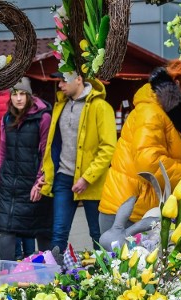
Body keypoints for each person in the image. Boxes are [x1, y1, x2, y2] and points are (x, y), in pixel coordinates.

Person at [99, 59, 181, 231]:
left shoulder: (177, 117)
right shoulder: (151, 112)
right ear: (177, 85)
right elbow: (153, 166)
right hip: (127, 216)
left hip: (147, 212)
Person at [39, 71, 117, 251]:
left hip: (92, 181)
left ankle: (103, 275)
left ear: (79, 79)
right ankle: (56, 275)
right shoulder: (60, 105)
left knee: (97, 233)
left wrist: (87, 178)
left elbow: (108, 148)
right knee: (58, 232)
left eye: (63, 80)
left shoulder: (101, 107)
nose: (60, 85)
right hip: (63, 177)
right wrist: (47, 174)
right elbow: (53, 144)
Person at [0, 77, 53, 260]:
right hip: (9, 183)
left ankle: (49, 273)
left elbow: (46, 152)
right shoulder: (7, 118)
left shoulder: (43, 117)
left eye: (22, 94)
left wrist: (40, 182)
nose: (18, 98)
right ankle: (5, 276)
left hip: (32, 183)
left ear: (29, 95)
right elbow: (3, 151)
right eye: (14, 94)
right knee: (7, 230)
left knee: (41, 230)